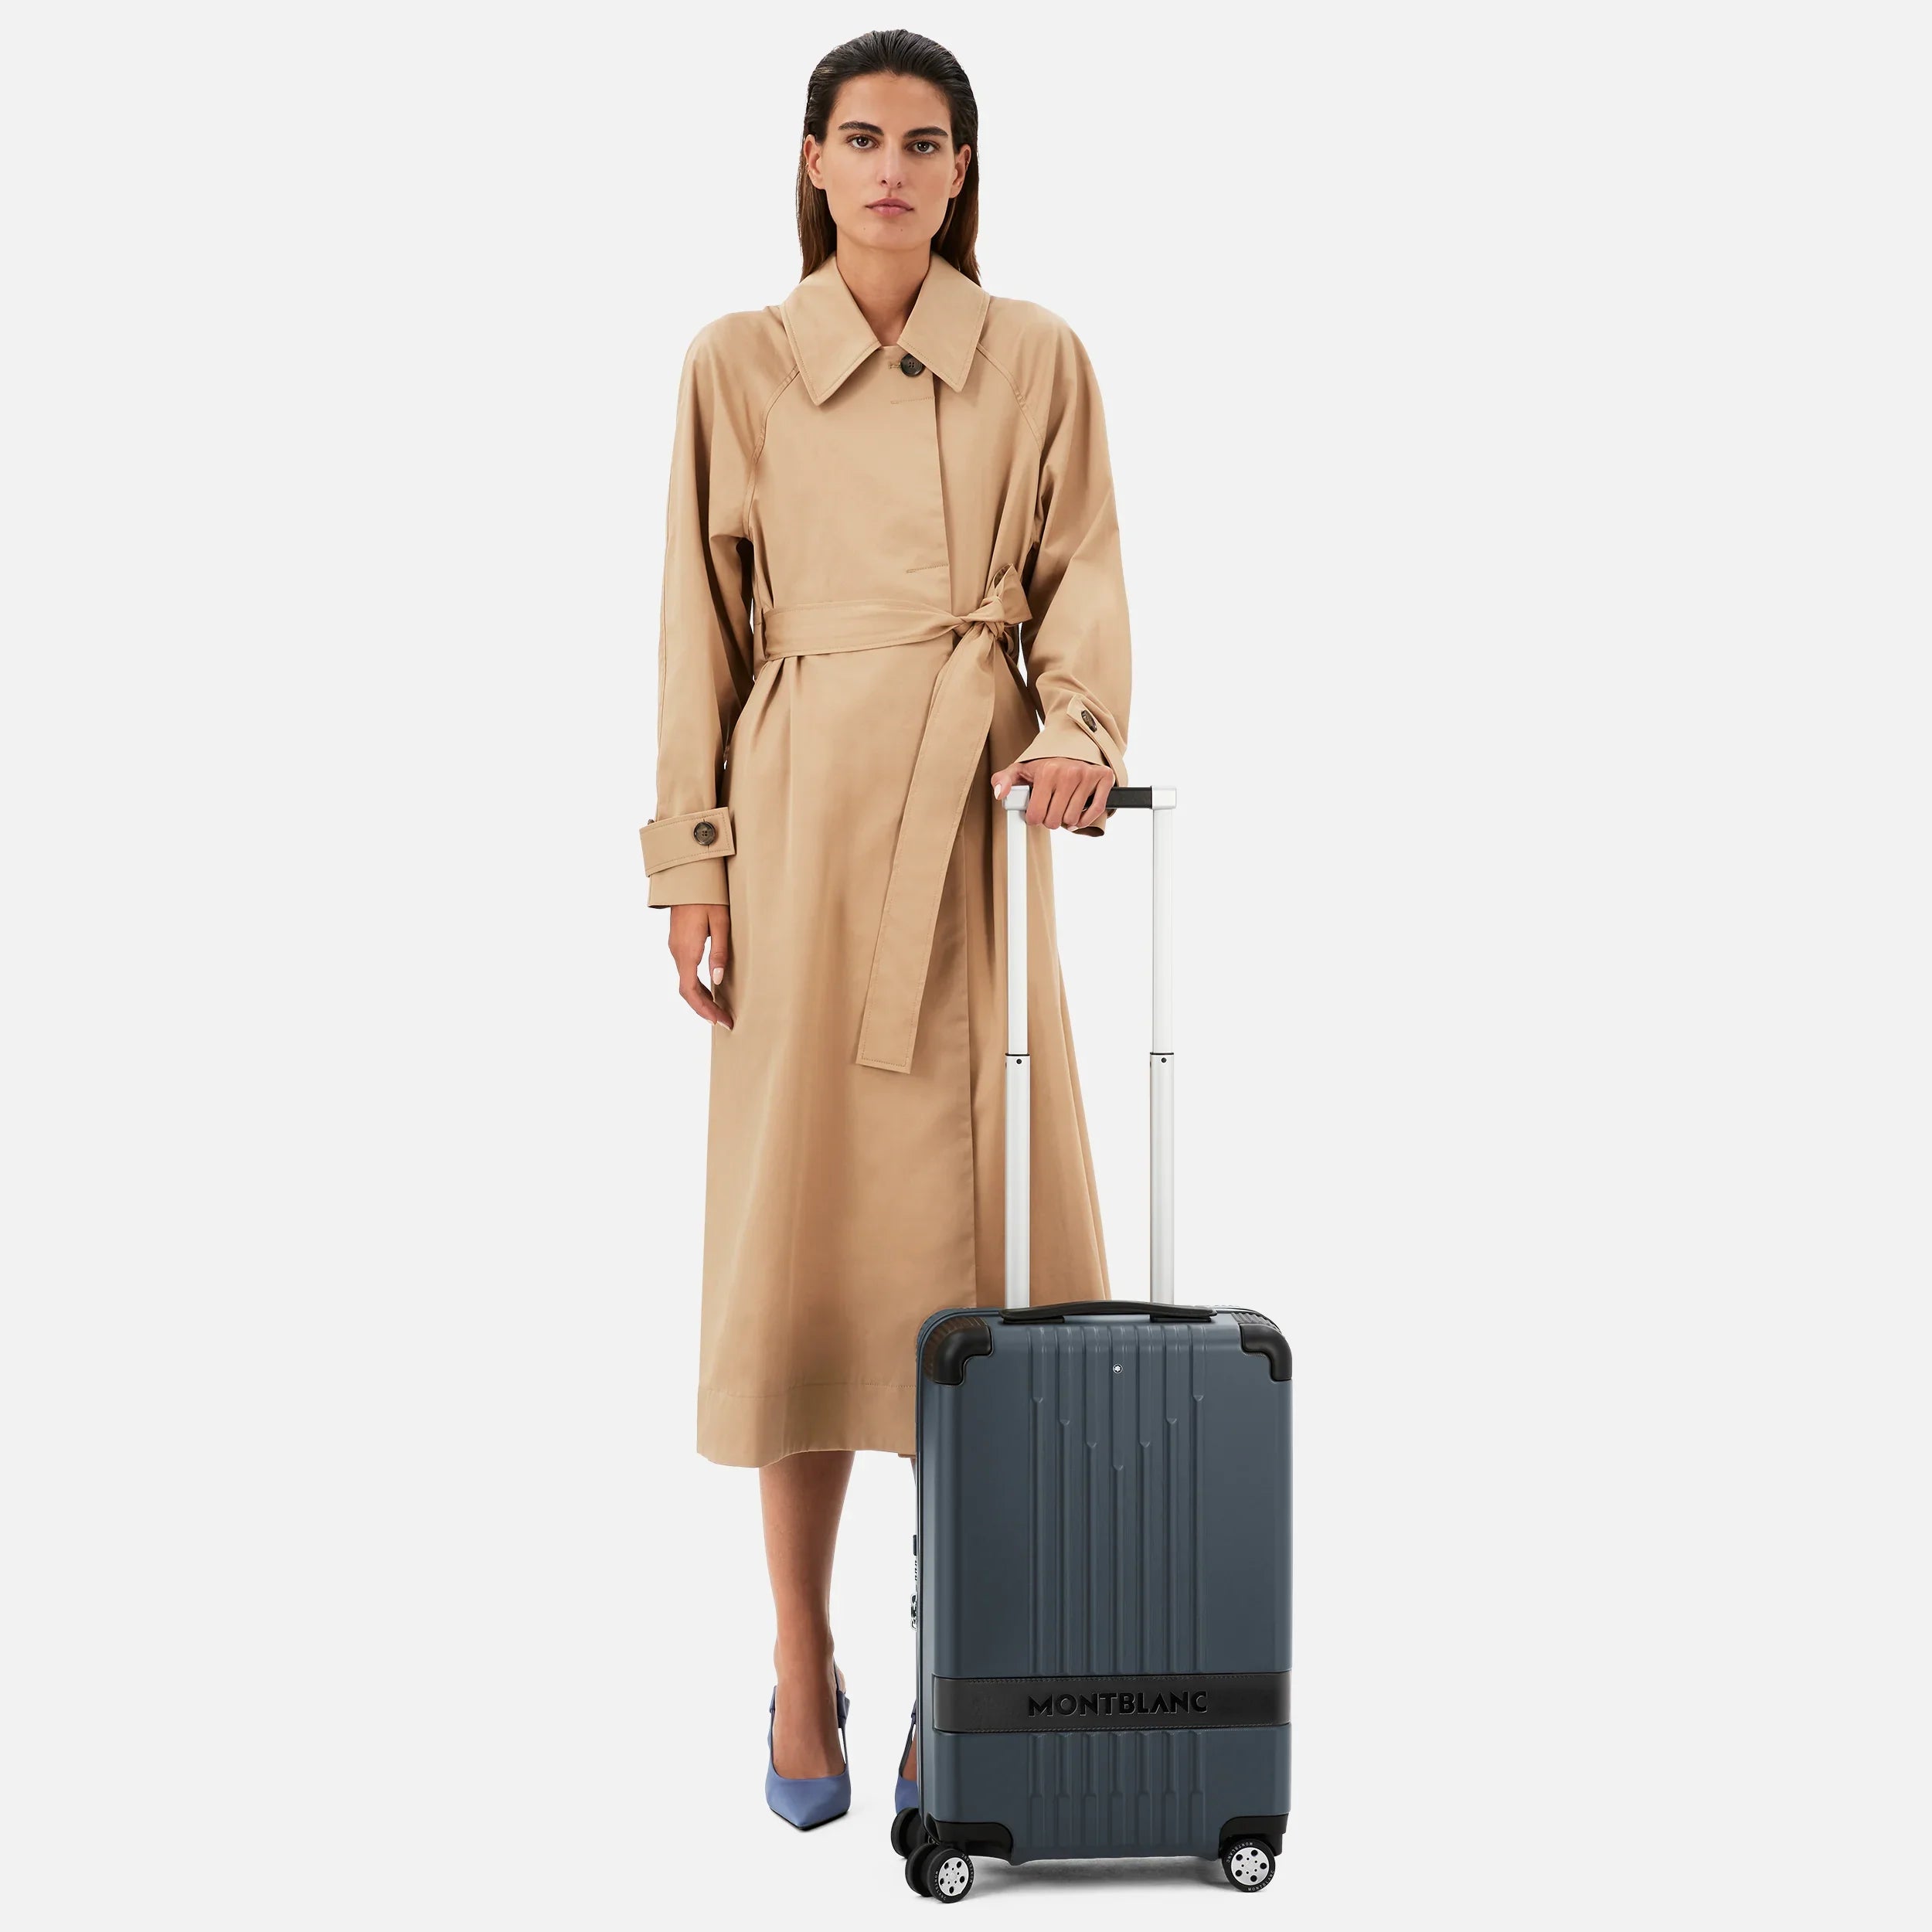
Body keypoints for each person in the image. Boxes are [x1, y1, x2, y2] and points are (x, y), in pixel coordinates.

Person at [640, 29, 1134, 1829]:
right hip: (793, 835)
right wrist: (691, 861)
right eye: (860, 139)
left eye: (925, 143)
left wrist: (1076, 729)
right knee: (799, 1260)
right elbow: (694, 623)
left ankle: (957, 1670)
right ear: (810, 160)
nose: (891, 171)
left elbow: (1083, 577)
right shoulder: (735, 363)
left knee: (973, 1251)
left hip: (968, 829)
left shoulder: (1036, 357)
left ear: (962, 169)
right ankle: (797, 1653)